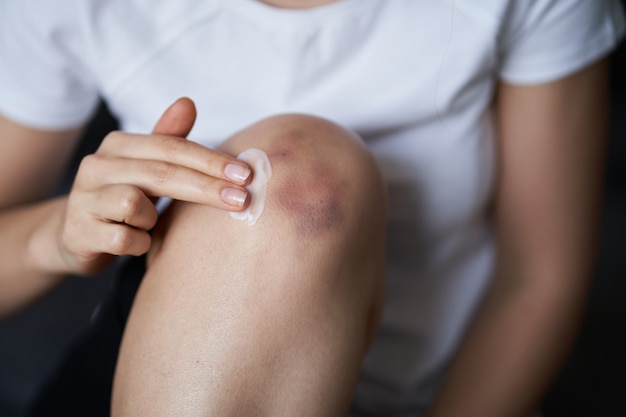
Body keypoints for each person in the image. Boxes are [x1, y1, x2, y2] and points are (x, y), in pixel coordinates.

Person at [0, 0, 624, 415]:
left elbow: (538, 277)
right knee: (284, 189)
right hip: (161, 383)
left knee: (297, 183)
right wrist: (57, 234)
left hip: (433, 398)